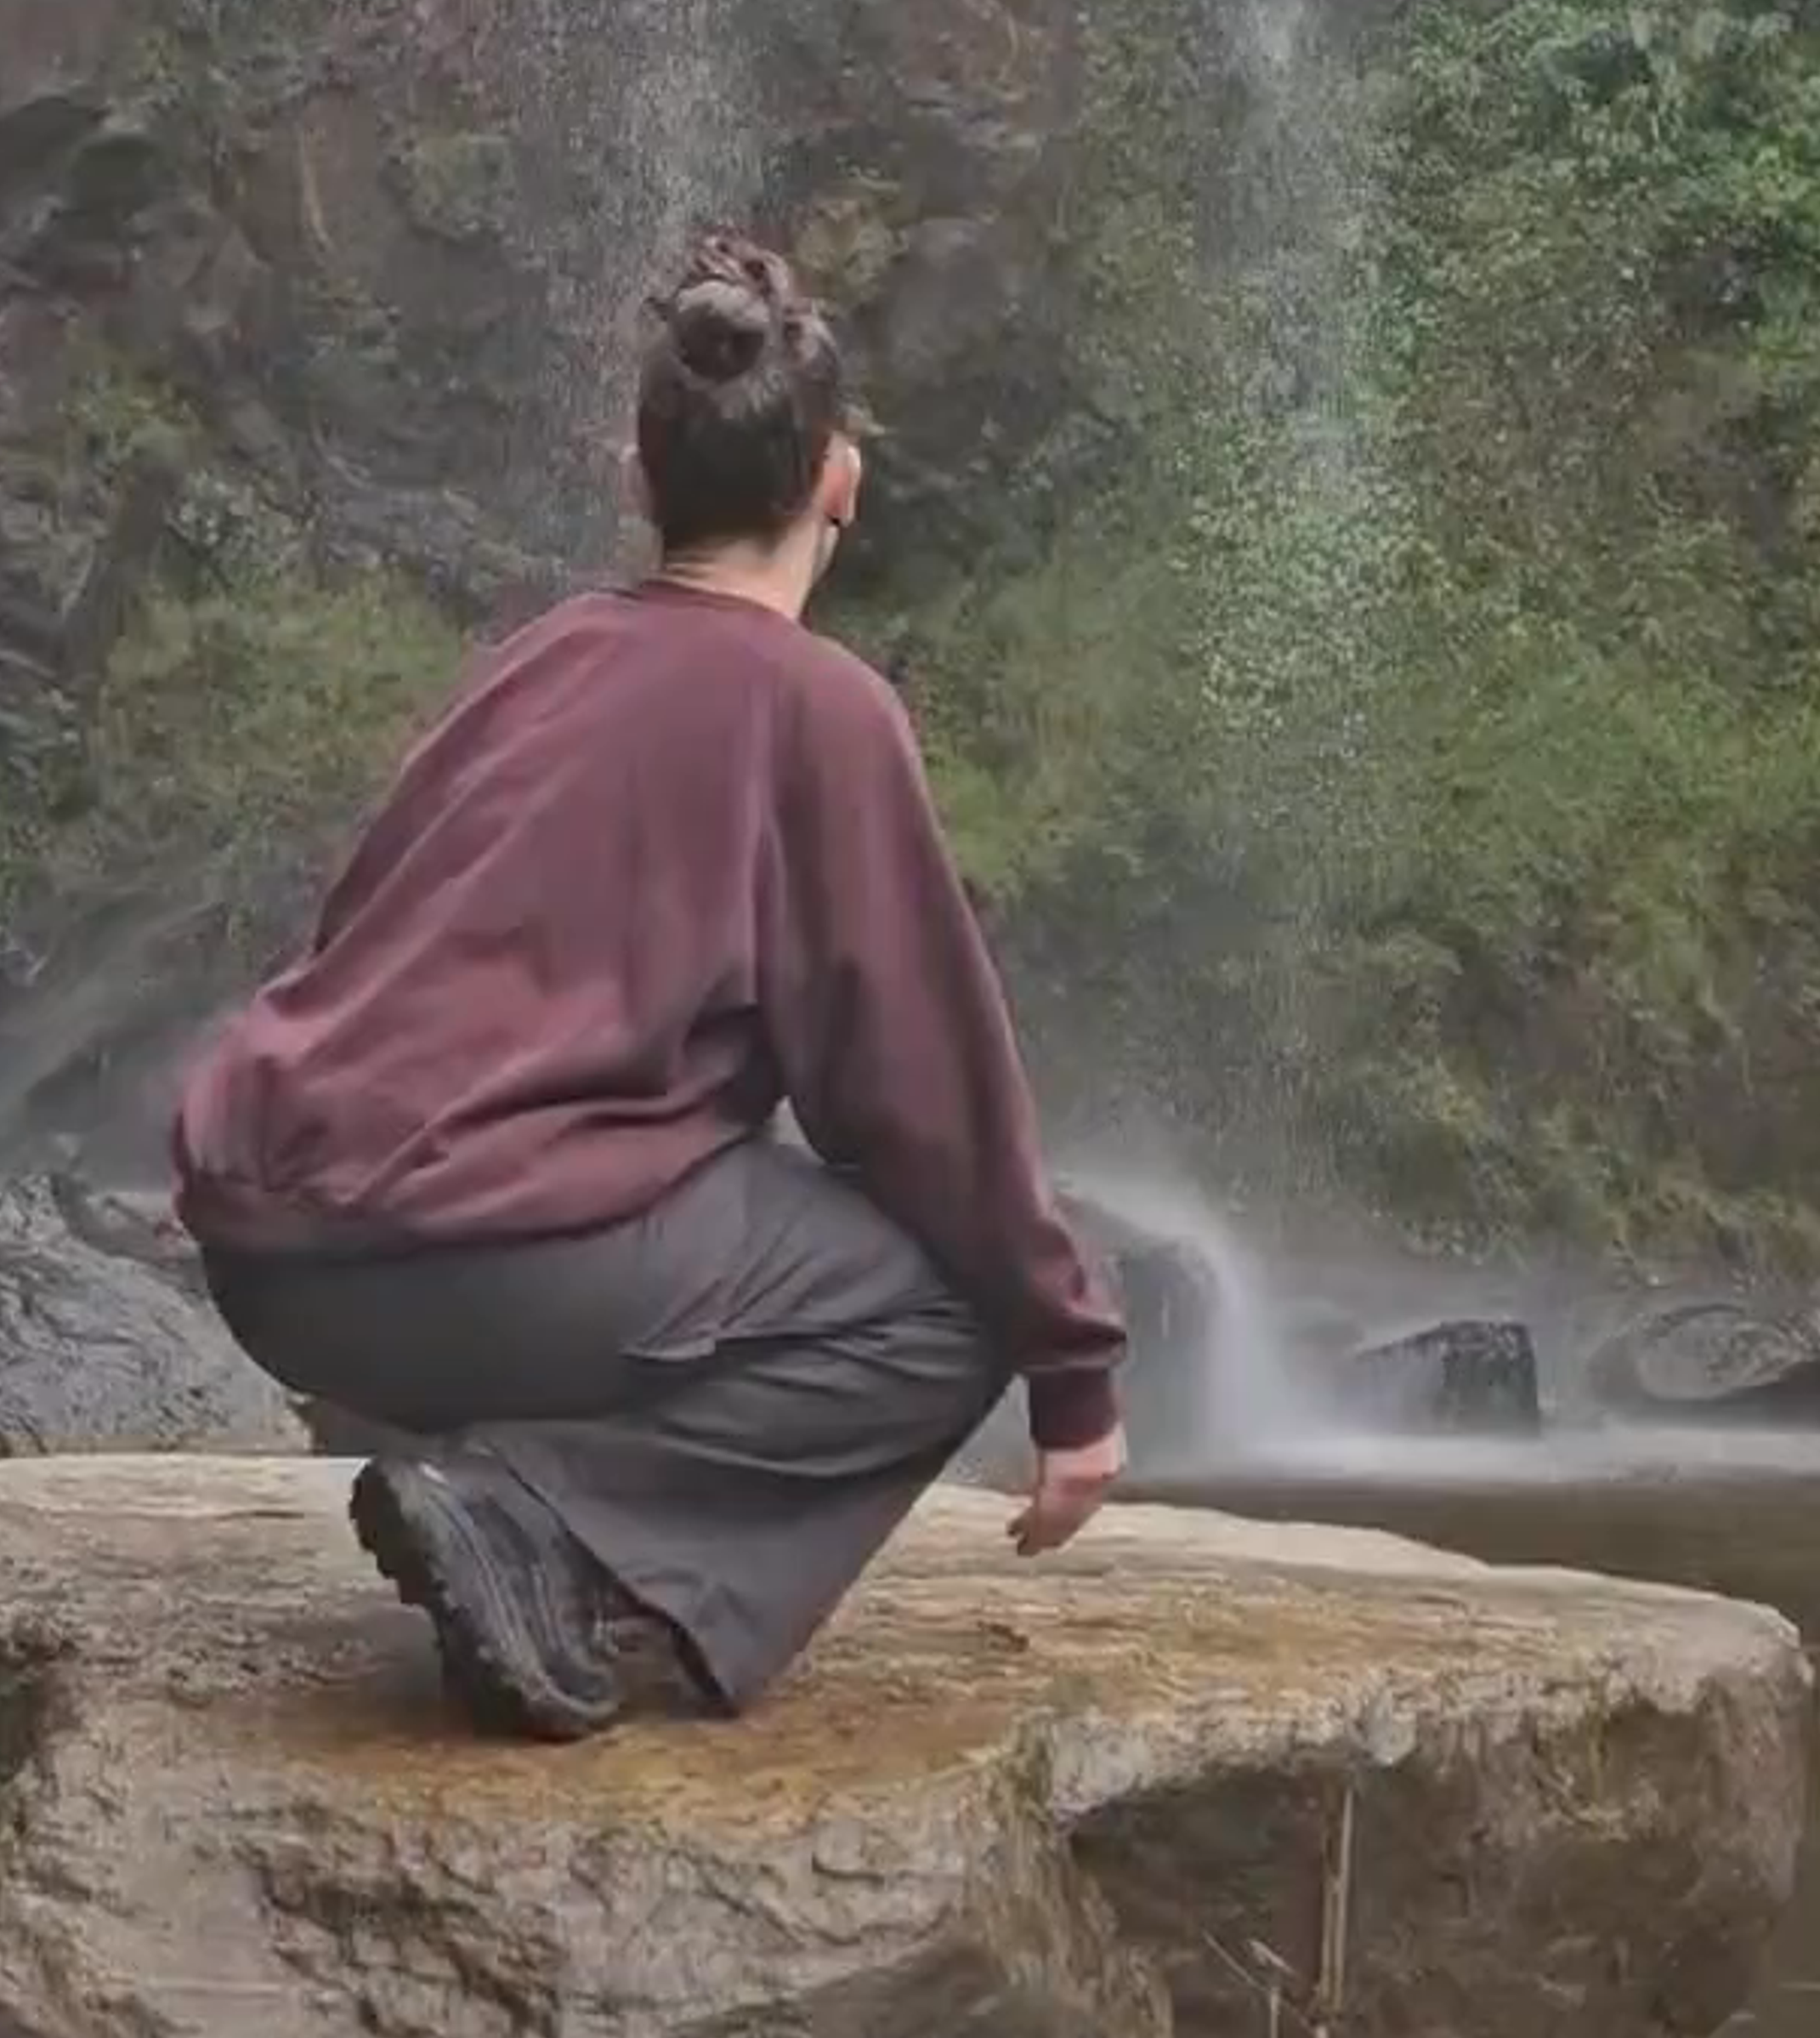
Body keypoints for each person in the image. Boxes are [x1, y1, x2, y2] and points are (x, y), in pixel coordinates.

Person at [173, 229, 1127, 1738]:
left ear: (636, 476)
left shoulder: (534, 662)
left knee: (689, 1186)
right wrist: (1070, 1361)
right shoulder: (820, 707)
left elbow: (357, 945)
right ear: (842, 480)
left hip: (280, 1266)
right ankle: (538, 1523)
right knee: (949, 1305)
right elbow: (920, 1098)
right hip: (479, 1259)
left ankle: (507, 1516)